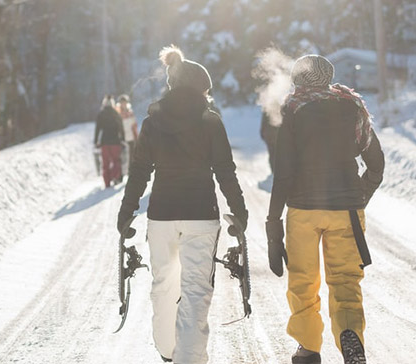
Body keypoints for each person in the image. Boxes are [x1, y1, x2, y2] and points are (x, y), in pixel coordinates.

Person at [117, 45, 248, 364]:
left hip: (161, 216)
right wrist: (239, 210)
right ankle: (188, 359)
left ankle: (167, 352)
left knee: (163, 287)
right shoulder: (211, 121)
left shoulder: (152, 122)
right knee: (194, 292)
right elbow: (225, 171)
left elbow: (139, 171)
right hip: (202, 216)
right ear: (201, 89)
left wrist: (127, 210)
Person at [265, 55, 384, 364]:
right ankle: (350, 335)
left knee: (303, 280)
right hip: (346, 209)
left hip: (303, 210)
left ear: (298, 80)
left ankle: (308, 348)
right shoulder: (353, 106)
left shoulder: (292, 109)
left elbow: (284, 172)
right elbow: (376, 164)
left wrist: (273, 221)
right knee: (345, 280)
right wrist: (360, 195)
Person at [94, 95, 125, 188]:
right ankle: (115, 176)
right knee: (116, 161)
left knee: (105, 163)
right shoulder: (116, 113)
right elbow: (121, 127)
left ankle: (107, 182)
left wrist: (96, 141)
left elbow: (97, 129)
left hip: (105, 142)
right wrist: (122, 139)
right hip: (116, 141)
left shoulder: (101, 114)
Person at [116, 94, 138, 174]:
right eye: (122, 102)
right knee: (122, 156)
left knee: (131, 155)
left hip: (131, 137)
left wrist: (136, 137)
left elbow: (134, 125)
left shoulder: (130, 112)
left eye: (124, 102)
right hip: (122, 138)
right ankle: (121, 173)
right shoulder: (117, 113)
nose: (123, 104)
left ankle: (130, 171)